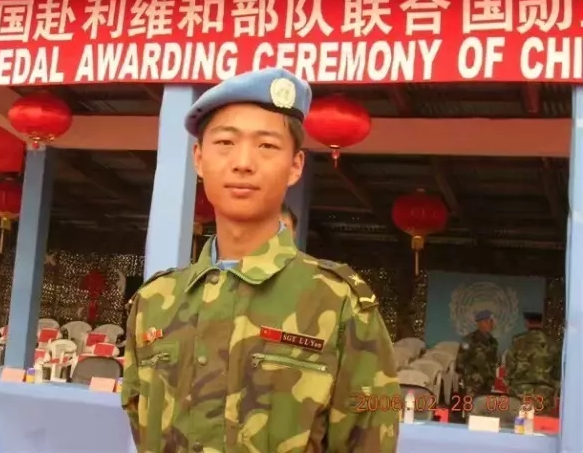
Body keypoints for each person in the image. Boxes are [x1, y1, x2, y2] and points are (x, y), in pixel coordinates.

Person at [122, 68, 399, 453]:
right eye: (225, 142)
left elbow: (372, 436)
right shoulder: (153, 303)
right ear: (199, 159)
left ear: (296, 165)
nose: (243, 162)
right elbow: (142, 427)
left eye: (266, 145)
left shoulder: (340, 305)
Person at [506, 312, 561, 415]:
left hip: (521, 391)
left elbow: (509, 365)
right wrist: (555, 390)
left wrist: (509, 383)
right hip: (544, 393)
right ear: (542, 323)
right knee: (541, 422)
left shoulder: (518, 341)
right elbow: (557, 370)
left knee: (520, 420)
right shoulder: (552, 343)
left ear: (527, 323)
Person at [456, 310, 498, 397]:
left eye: (491, 321)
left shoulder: (493, 342)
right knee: (472, 404)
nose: (489, 324)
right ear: (479, 323)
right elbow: (460, 363)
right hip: (473, 383)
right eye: (486, 321)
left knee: (484, 405)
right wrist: (471, 375)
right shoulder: (469, 340)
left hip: (488, 383)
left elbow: (493, 362)